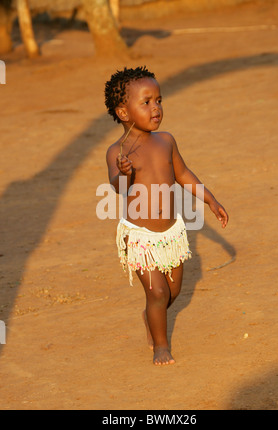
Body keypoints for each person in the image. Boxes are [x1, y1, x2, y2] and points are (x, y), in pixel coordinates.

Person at [105, 66, 229, 366]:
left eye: (159, 100)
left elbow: (183, 174)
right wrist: (124, 174)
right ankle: (161, 346)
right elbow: (118, 187)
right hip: (140, 237)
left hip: (172, 233)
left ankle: (150, 314)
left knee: (173, 291)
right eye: (145, 102)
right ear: (123, 112)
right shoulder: (118, 153)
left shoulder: (166, 141)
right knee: (158, 292)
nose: (156, 108)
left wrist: (210, 199)